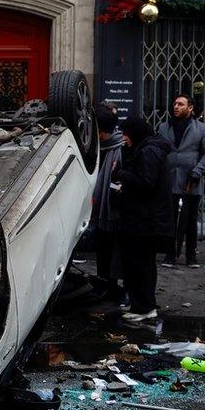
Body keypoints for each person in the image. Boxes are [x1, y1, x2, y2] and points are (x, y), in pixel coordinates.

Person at [112, 114, 174, 321]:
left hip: (145, 221)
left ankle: (144, 307)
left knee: (141, 264)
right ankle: (140, 305)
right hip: (141, 218)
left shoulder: (149, 152)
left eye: (127, 133)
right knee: (136, 263)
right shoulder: (145, 149)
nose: (124, 138)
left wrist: (120, 174)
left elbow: (146, 183)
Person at [157, 94, 205, 268]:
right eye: (175, 103)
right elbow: (158, 149)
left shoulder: (201, 128)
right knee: (170, 218)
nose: (176, 107)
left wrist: (197, 171)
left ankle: (191, 255)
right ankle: (170, 254)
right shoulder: (164, 127)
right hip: (169, 178)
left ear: (190, 108)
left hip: (191, 180)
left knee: (189, 220)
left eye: (181, 104)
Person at [90, 104, 125, 301]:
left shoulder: (119, 149)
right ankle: (103, 282)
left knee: (113, 250)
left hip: (112, 209)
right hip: (98, 208)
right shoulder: (97, 146)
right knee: (102, 247)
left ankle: (112, 285)